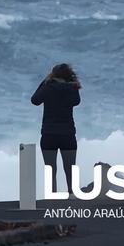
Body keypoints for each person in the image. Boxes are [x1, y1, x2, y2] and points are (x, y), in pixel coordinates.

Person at [30, 63, 81, 195]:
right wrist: (72, 83)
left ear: (53, 75)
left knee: (50, 170)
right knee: (70, 169)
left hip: (49, 134)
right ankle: (72, 198)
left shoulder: (48, 87)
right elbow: (76, 101)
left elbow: (35, 100)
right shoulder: (72, 88)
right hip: (68, 134)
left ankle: (52, 200)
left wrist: (45, 81)